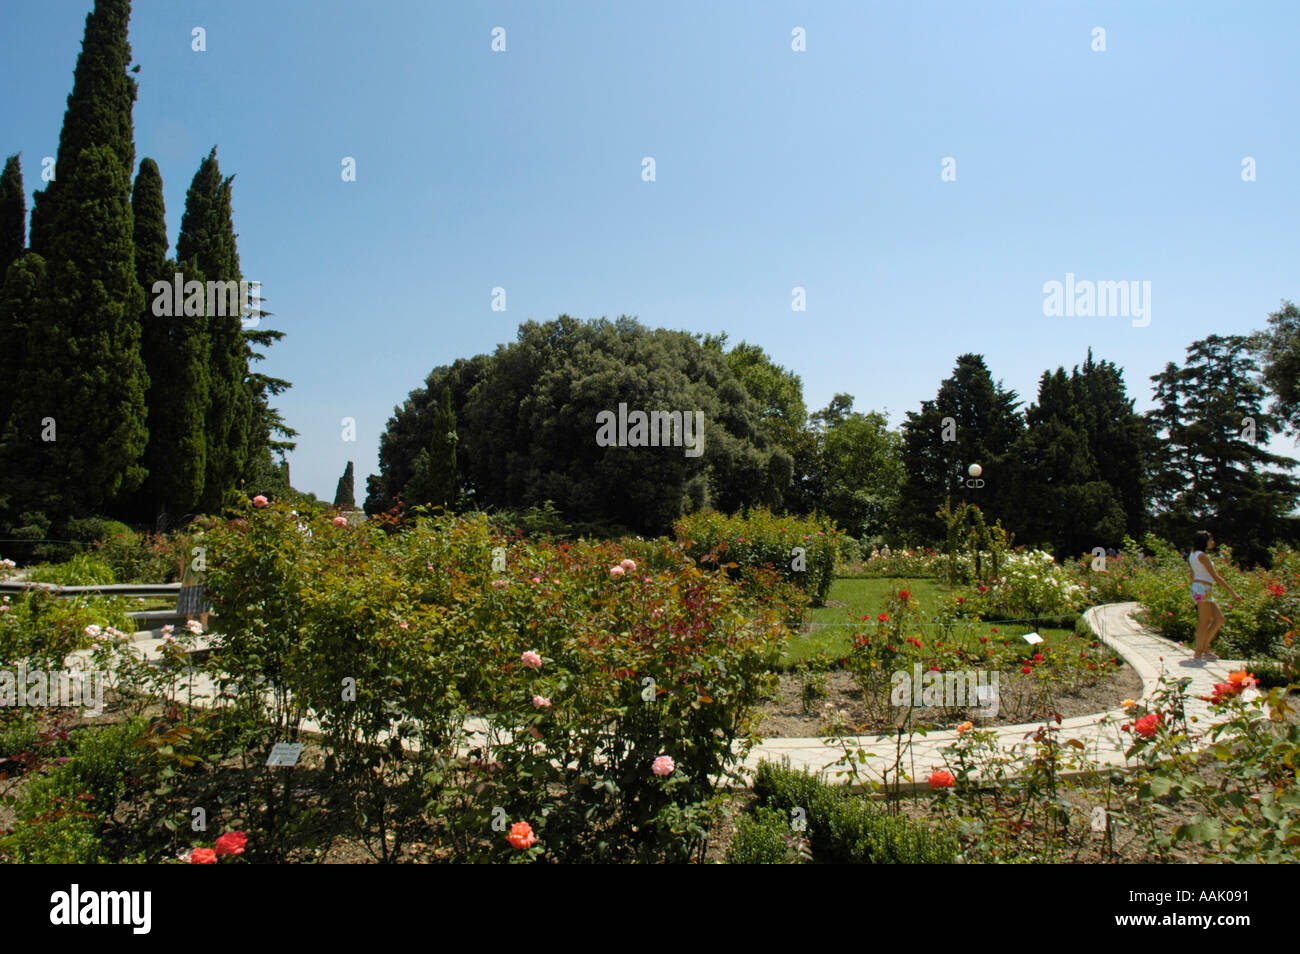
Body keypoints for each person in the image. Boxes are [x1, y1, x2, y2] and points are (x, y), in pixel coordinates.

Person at [1188, 530, 1239, 662]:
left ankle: (1204, 649)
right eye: (1211, 540)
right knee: (1204, 622)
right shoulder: (1202, 556)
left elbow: (1192, 576)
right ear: (1204, 541)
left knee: (1219, 619)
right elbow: (1215, 576)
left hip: (1201, 588)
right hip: (1203, 588)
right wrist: (1232, 593)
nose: (1213, 542)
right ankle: (1199, 652)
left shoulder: (1193, 555)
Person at [176, 532, 210, 632]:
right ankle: (204, 626)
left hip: (189, 575)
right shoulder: (208, 539)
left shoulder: (187, 540)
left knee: (189, 601)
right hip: (203, 575)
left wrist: (181, 575)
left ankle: (191, 626)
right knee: (203, 601)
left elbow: (182, 560)